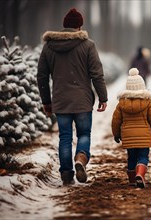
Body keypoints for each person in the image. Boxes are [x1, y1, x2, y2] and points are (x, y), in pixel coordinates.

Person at [37, 8, 108, 185]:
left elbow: (42, 76)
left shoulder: (48, 47)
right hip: (82, 100)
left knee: (65, 137)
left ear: (64, 26)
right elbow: (96, 74)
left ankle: (66, 174)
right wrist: (103, 97)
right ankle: (81, 159)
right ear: (79, 26)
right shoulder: (88, 45)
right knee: (84, 134)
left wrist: (46, 101)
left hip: (61, 101)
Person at [111, 68, 151, 188]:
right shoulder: (148, 103)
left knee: (131, 157)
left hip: (128, 136)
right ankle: (140, 175)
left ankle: (132, 180)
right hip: (144, 136)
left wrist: (116, 134)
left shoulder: (121, 104)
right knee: (143, 156)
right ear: (142, 86)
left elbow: (116, 121)